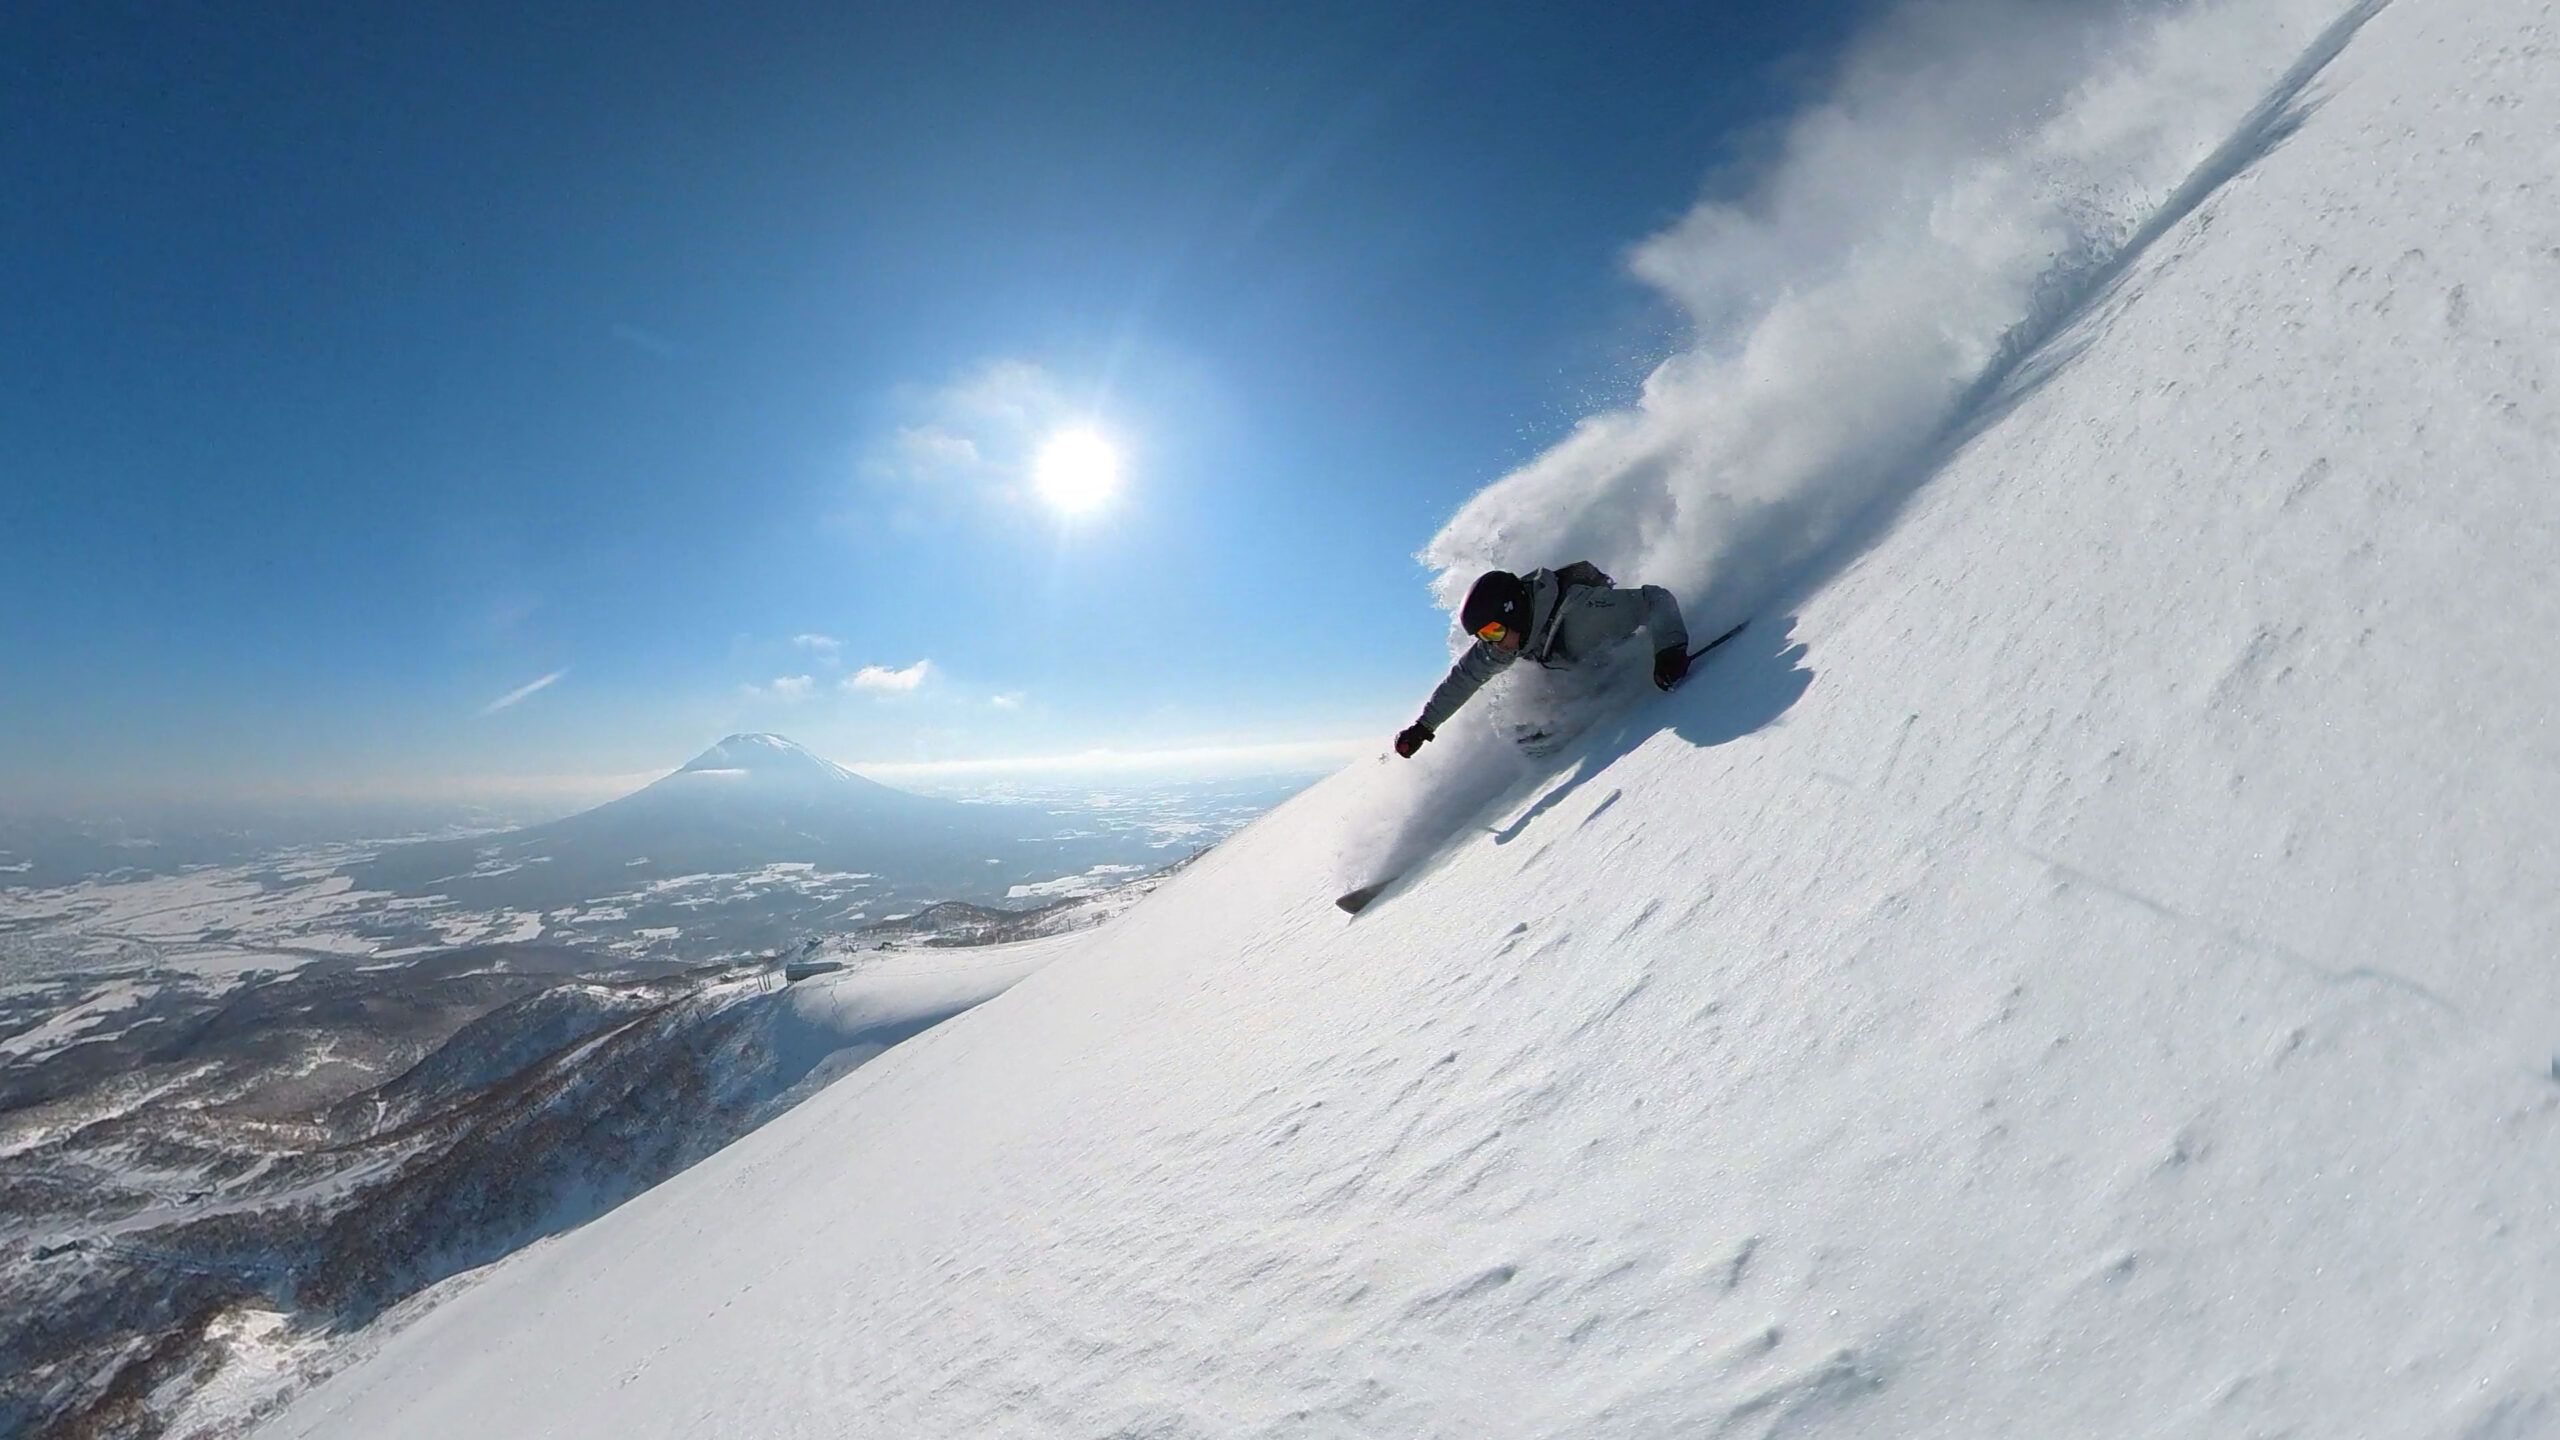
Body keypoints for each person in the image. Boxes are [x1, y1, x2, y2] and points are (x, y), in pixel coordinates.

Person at [1394, 564, 1690, 758]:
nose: (1491, 642)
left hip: (1618, 660)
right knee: (1527, 741)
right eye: (1484, 636)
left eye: (1494, 630)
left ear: (1513, 612)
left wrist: (1669, 648)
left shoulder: (1583, 613)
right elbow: (1464, 678)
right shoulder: (1506, 642)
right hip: (1581, 673)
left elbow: (1655, 599)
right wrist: (1423, 727)